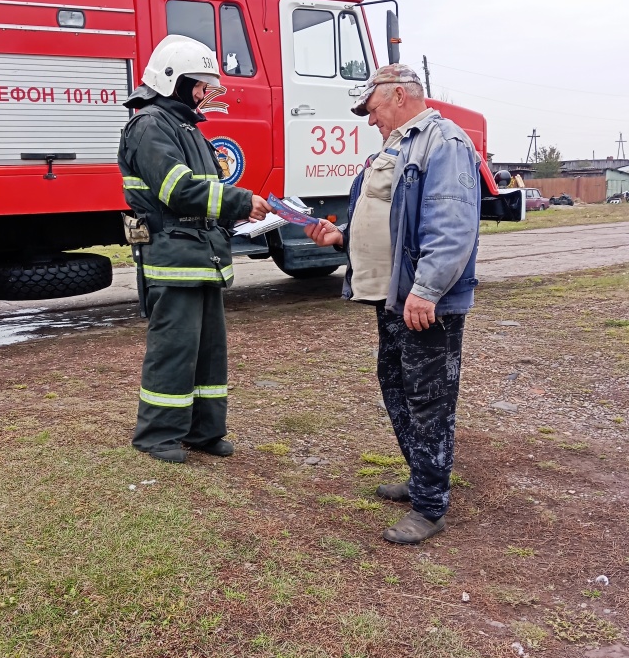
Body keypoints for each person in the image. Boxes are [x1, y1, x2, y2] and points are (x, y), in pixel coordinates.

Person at [305, 64, 481, 544]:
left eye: (373, 107)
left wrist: (427, 289)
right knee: (397, 387)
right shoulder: (397, 145)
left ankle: (429, 506)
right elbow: (388, 223)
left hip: (423, 301)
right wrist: (341, 238)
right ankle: (422, 474)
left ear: (399, 95)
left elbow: (452, 226)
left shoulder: (442, 143)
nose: (369, 118)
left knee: (429, 401)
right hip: (392, 298)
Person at [118, 34, 271, 463]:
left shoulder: (187, 129)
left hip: (202, 255)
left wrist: (242, 213)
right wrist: (240, 201)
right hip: (172, 257)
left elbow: (207, 195)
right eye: (200, 85)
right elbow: (178, 191)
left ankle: (204, 431)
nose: (205, 94)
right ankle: (157, 435)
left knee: (208, 350)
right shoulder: (149, 125)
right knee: (174, 348)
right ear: (173, 80)